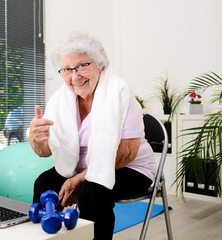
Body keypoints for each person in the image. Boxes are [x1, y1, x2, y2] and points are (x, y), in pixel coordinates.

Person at [27, 31, 156, 239]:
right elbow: (44, 152)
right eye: (67, 69)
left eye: (82, 66)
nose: (75, 76)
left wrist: (80, 179)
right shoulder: (60, 99)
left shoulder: (119, 91)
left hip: (130, 168)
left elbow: (127, 153)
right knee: (43, 184)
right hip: (81, 167)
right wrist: (36, 137)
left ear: (99, 64)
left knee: (91, 191)